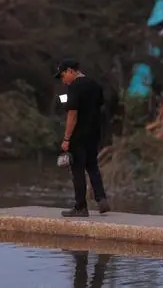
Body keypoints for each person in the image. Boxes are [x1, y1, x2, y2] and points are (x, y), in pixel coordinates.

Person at [54, 59, 110, 217]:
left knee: (77, 170)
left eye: (63, 75)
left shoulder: (74, 87)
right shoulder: (95, 85)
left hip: (78, 135)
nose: (63, 79)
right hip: (94, 133)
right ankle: (101, 199)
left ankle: (80, 207)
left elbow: (72, 114)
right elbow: (99, 107)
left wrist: (66, 139)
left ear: (71, 71)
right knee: (92, 167)